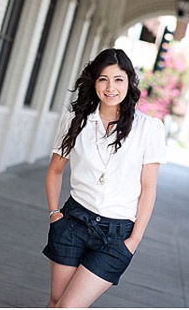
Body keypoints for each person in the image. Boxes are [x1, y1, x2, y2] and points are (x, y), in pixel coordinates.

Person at [42, 48, 167, 307]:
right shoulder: (76, 121)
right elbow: (55, 171)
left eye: (118, 79)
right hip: (73, 221)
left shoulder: (148, 128)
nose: (111, 87)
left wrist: (134, 241)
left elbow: (149, 188)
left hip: (117, 234)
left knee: (68, 306)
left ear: (129, 82)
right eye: (103, 79)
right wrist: (55, 214)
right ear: (94, 82)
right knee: (56, 302)